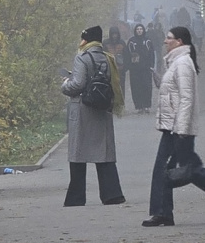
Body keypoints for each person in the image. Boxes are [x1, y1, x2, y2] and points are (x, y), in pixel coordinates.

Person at [142, 26, 205, 227]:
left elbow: (187, 99)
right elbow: (176, 93)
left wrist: (181, 130)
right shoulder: (176, 63)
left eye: (169, 38)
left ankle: (162, 212)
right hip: (175, 127)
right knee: (191, 170)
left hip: (178, 129)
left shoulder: (182, 64)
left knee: (169, 169)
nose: (165, 41)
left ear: (179, 42)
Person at [60, 25, 126, 207]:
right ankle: (112, 194)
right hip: (102, 108)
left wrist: (65, 84)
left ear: (86, 40)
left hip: (82, 110)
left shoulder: (82, 57)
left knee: (78, 154)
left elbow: (78, 84)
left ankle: (76, 197)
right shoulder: (107, 57)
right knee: (104, 153)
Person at [127, 23, 155, 114]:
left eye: (141, 29)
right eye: (137, 29)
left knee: (147, 86)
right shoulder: (131, 41)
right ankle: (139, 106)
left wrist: (151, 65)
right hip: (135, 70)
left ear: (143, 30)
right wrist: (129, 66)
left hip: (146, 68)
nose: (139, 31)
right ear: (135, 30)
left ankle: (146, 105)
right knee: (136, 87)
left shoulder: (147, 41)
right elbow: (127, 55)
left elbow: (151, 54)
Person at [103, 26, 127, 96]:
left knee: (121, 87)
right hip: (109, 70)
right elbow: (103, 56)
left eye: (116, 34)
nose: (114, 36)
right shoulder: (105, 43)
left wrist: (125, 67)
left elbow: (126, 56)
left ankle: (121, 104)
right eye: (113, 34)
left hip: (121, 69)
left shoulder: (122, 43)